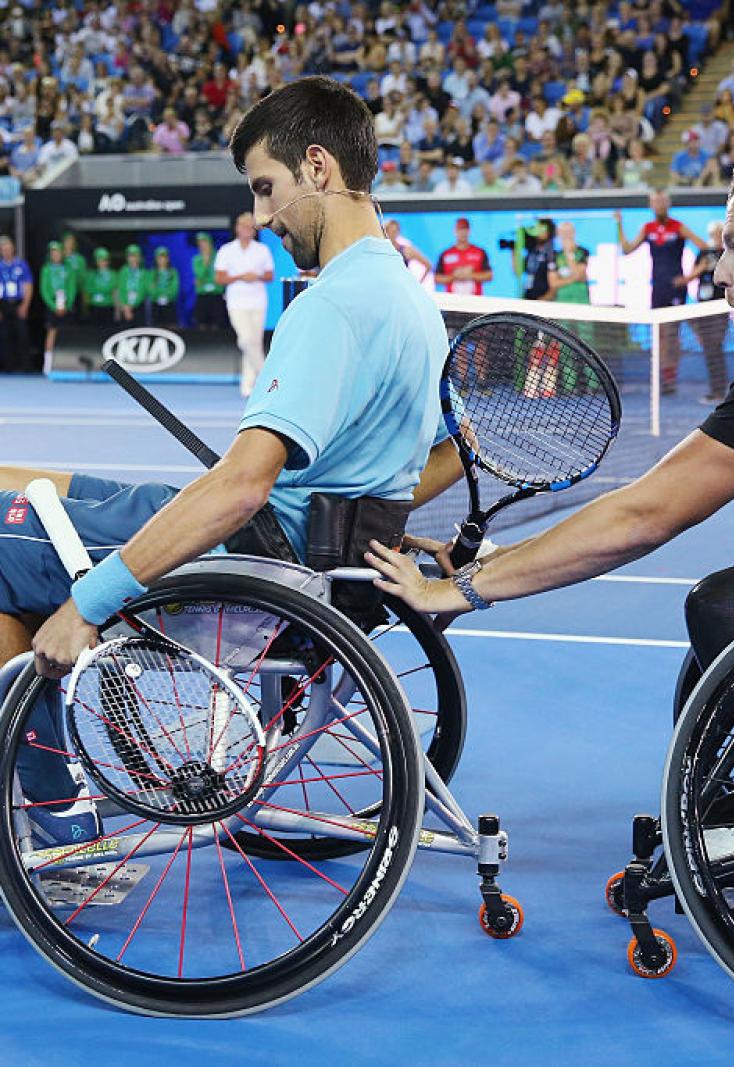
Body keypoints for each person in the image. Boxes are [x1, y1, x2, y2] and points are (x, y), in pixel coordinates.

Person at [24, 73, 464, 856]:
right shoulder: (410, 298)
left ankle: (58, 813)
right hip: (310, 553)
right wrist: (377, 528)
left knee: (6, 544)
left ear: (319, 168)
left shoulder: (329, 305)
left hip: (253, 560)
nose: (262, 217)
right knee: (48, 491)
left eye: (267, 189)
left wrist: (89, 602)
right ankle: (47, 783)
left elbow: (241, 484)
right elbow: (436, 457)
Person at [367, 135, 734, 837]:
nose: (718, 272)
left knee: (732, 607)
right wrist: (490, 564)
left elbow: (644, 514)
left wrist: (464, 587)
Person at [614, 190, 706, 393]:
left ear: (668, 203)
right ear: (651, 205)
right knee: (661, 336)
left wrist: (689, 277)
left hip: (676, 288)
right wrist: (619, 224)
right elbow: (627, 249)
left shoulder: (678, 227)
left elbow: (705, 249)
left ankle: (670, 377)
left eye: (662, 201)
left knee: (673, 334)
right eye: (655, 202)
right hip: (657, 288)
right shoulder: (648, 228)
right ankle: (665, 377)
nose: (659, 205)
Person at [214, 211, 275, 397]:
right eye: (243, 226)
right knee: (246, 340)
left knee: (254, 343)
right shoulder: (226, 250)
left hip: (258, 302)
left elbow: (270, 275)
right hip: (236, 302)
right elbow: (220, 277)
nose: (247, 229)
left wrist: (255, 276)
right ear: (237, 229)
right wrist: (241, 276)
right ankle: (267, 377)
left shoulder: (262, 250)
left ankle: (248, 386)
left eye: (250, 226)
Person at [676, 220, 729, 403]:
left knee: (715, 348)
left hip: (719, 307)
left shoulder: (728, 253)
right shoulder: (704, 253)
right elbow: (693, 275)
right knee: (709, 349)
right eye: (714, 233)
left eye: (719, 233)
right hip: (702, 307)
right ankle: (716, 390)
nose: (716, 236)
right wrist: (701, 267)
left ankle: (719, 390)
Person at [39, 240, 77, 375]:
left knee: (67, 333)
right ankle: (48, 365)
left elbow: (72, 288)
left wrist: (68, 305)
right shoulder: (46, 269)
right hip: (53, 305)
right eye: (53, 252)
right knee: (51, 332)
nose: (56, 254)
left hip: (66, 306)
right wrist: (54, 306)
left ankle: (68, 364)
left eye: (58, 252)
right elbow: (44, 290)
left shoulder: (69, 269)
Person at [434, 218, 493, 297]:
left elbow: (489, 275)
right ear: (455, 231)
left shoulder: (479, 252)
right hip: (452, 301)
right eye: (460, 229)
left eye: (465, 229)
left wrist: (470, 275)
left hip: (475, 301)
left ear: (469, 231)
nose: (462, 232)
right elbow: (436, 278)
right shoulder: (446, 254)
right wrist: (454, 276)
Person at [0, 234, 33, 373]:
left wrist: (25, 304)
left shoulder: (21, 264)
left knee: (22, 334)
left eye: (9, 248)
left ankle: (25, 366)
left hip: (19, 303)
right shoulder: (0, 266)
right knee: (5, 335)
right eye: (4, 249)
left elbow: (28, 285)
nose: (7, 251)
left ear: (13, 249)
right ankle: (8, 366)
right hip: (4, 303)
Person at [191, 231, 225, 329]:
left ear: (210, 243)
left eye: (204, 242)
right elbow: (199, 275)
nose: (202, 245)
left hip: (217, 296)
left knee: (218, 325)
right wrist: (205, 262)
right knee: (201, 324)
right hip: (202, 296)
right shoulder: (196, 259)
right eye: (200, 243)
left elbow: (219, 277)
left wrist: (203, 281)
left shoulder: (219, 256)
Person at [83, 246, 117, 327]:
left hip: (108, 306)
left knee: (108, 328)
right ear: (96, 261)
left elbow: (112, 287)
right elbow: (88, 289)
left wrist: (97, 289)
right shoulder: (91, 274)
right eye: (99, 259)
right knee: (94, 329)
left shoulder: (113, 274)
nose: (102, 262)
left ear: (108, 261)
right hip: (94, 306)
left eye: (104, 260)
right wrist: (104, 289)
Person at [117, 243, 148, 327]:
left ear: (140, 257)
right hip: (125, 307)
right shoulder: (123, 271)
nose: (134, 259)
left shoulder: (143, 272)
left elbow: (142, 290)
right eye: (131, 256)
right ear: (127, 258)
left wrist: (132, 306)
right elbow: (121, 289)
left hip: (138, 306)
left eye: (136, 256)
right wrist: (125, 307)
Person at [148, 246, 179, 327]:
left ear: (168, 259)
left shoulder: (173, 272)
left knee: (172, 328)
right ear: (156, 259)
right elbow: (151, 291)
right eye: (159, 258)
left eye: (164, 257)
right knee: (157, 329)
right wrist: (160, 293)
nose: (162, 260)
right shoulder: (152, 273)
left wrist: (161, 292)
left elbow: (174, 290)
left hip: (170, 304)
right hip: (156, 305)